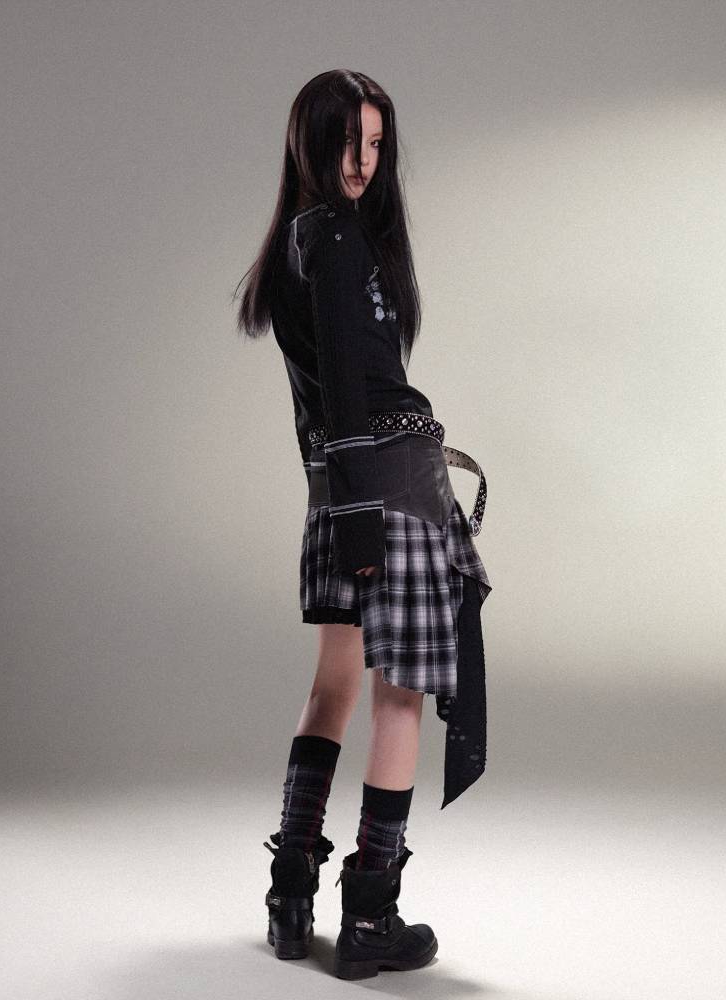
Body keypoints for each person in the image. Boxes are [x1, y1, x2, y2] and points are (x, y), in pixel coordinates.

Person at [233, 69, 492, 980]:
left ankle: (289, 894)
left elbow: (321, 402)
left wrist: (341, 508)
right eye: (348, 140)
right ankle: (371, 919)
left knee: (334, 685)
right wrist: (361, 524)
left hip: (341, 486)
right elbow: (347, 387)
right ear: (310, 139)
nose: (363, 162)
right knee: (397, 698)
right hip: (385, 494)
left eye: (376, 144)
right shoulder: (337, 240)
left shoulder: (297, 241)